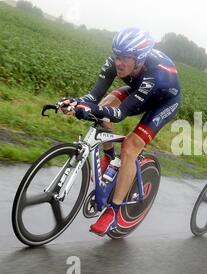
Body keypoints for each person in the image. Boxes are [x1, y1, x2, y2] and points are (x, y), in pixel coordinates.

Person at [62, 28, 181, 236]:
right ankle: (108, 157)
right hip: (140, 90)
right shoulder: (115, 63)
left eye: (126, 57)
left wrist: (93, 109)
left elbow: (120, 114)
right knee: (104, 102)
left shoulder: (154, 73)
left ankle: (114, 211)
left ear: (140, 59)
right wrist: (75, 102)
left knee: (130, 146)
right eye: (118, 55)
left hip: (164, 102)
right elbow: (93, 97)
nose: (119, 62)